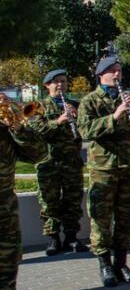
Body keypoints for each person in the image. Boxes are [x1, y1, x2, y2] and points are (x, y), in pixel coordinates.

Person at [77, 56, 130, 287]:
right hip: (103, 168)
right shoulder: (90, 101)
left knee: (125, 216)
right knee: (102, 217)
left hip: (127, 166)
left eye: (119, 71)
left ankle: (120, 262)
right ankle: (104, 263)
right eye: (112, 71)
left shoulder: (129, 98)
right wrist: (114, 117)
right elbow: (85, 131)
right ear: (101, 74)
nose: (117, 75)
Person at [0, 93, 47, 290]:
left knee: (6, 271)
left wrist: (18, 127)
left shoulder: (6, 126)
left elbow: (38, 154)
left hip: (4, 211)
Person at [31, 69, 86, 255]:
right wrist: (59, 121)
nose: (60, 85)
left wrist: (77, 119)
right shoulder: (38, 106)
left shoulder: (74, 105)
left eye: (63, 81)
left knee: (72, 199)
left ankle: (71, 236)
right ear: (47, 85)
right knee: (49, 201)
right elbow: (35, 132)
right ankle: (53, 238)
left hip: (71, 162)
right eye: (56, 82)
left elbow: (85, 132)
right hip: (48, 163)